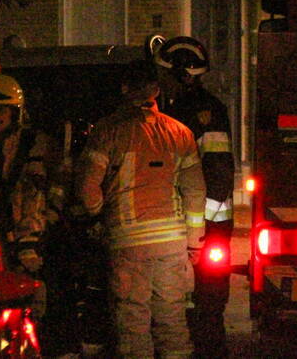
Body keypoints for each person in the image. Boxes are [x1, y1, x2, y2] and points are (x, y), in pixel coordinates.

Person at [76, 60, 206, 359]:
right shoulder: (181, 133)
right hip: (172, 245)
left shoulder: (108, 131)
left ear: (124, 89)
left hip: (128, 243)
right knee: (173, 323)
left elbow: (88, 191)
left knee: (134, 328)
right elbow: (195, 191)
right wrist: (194, 242)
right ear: (157, 91)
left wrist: (97, 214)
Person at [155, 36, 235, 359]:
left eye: (164, 73)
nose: (159, 80)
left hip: (207, 224)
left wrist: (199, 229)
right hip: (184, 224)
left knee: (208, 305)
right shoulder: (164, 109)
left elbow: (217, 173)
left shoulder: (205, 112)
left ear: (183, 75)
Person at [0, 73, 50, 289]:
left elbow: (50, 186)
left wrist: (48, 220)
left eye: (2, 109)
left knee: (30, 299)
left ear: (15, 112)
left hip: (29, 239)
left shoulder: (34, 144)